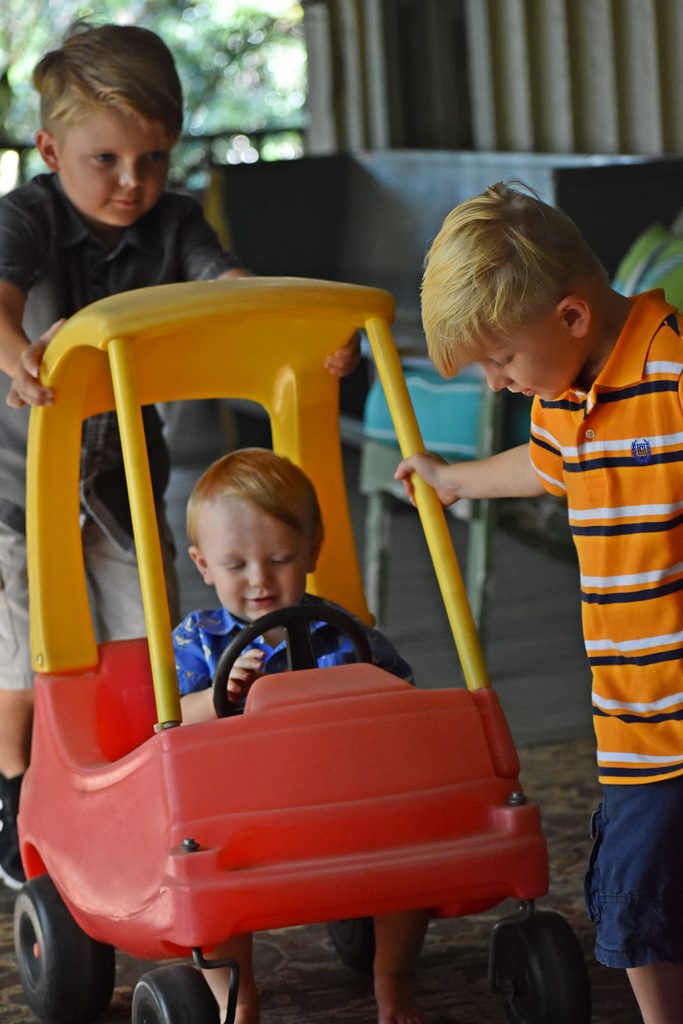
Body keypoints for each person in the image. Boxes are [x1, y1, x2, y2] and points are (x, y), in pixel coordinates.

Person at [0, 21, 359, 892]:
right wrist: (13, 347)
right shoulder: (29, 215)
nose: (133, 182)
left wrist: (300, 332)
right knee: (24, 655)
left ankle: (134, 780)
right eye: (107, 160)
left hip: (123, 481)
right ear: (50, 148)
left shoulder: (174, 223)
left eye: (153, 159)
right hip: (17, 488)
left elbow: (227, 287)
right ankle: (14, 794)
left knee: (139, 643)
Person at [395, 180, 683, 1024]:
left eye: (499, 361)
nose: (494, 384)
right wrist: (454, 483)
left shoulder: (670, 369)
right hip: (633, 720)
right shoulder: (564, 398)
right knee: (634, 897)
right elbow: (543, 465)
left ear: (570, 318)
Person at [173, 447, 429, 1024]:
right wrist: (217, 696)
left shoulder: (337, 629)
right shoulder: (198, 639)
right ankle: (235, 1000)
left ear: (312, 550)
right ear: (203, 564)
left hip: (338, 800)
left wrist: (358, 691)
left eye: (280, 558)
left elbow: (402, 698)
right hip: (233, 813)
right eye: (236, 566)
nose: (260, 580)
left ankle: (392, 982)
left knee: (414, 854)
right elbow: (168, 725)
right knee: (201, 882)